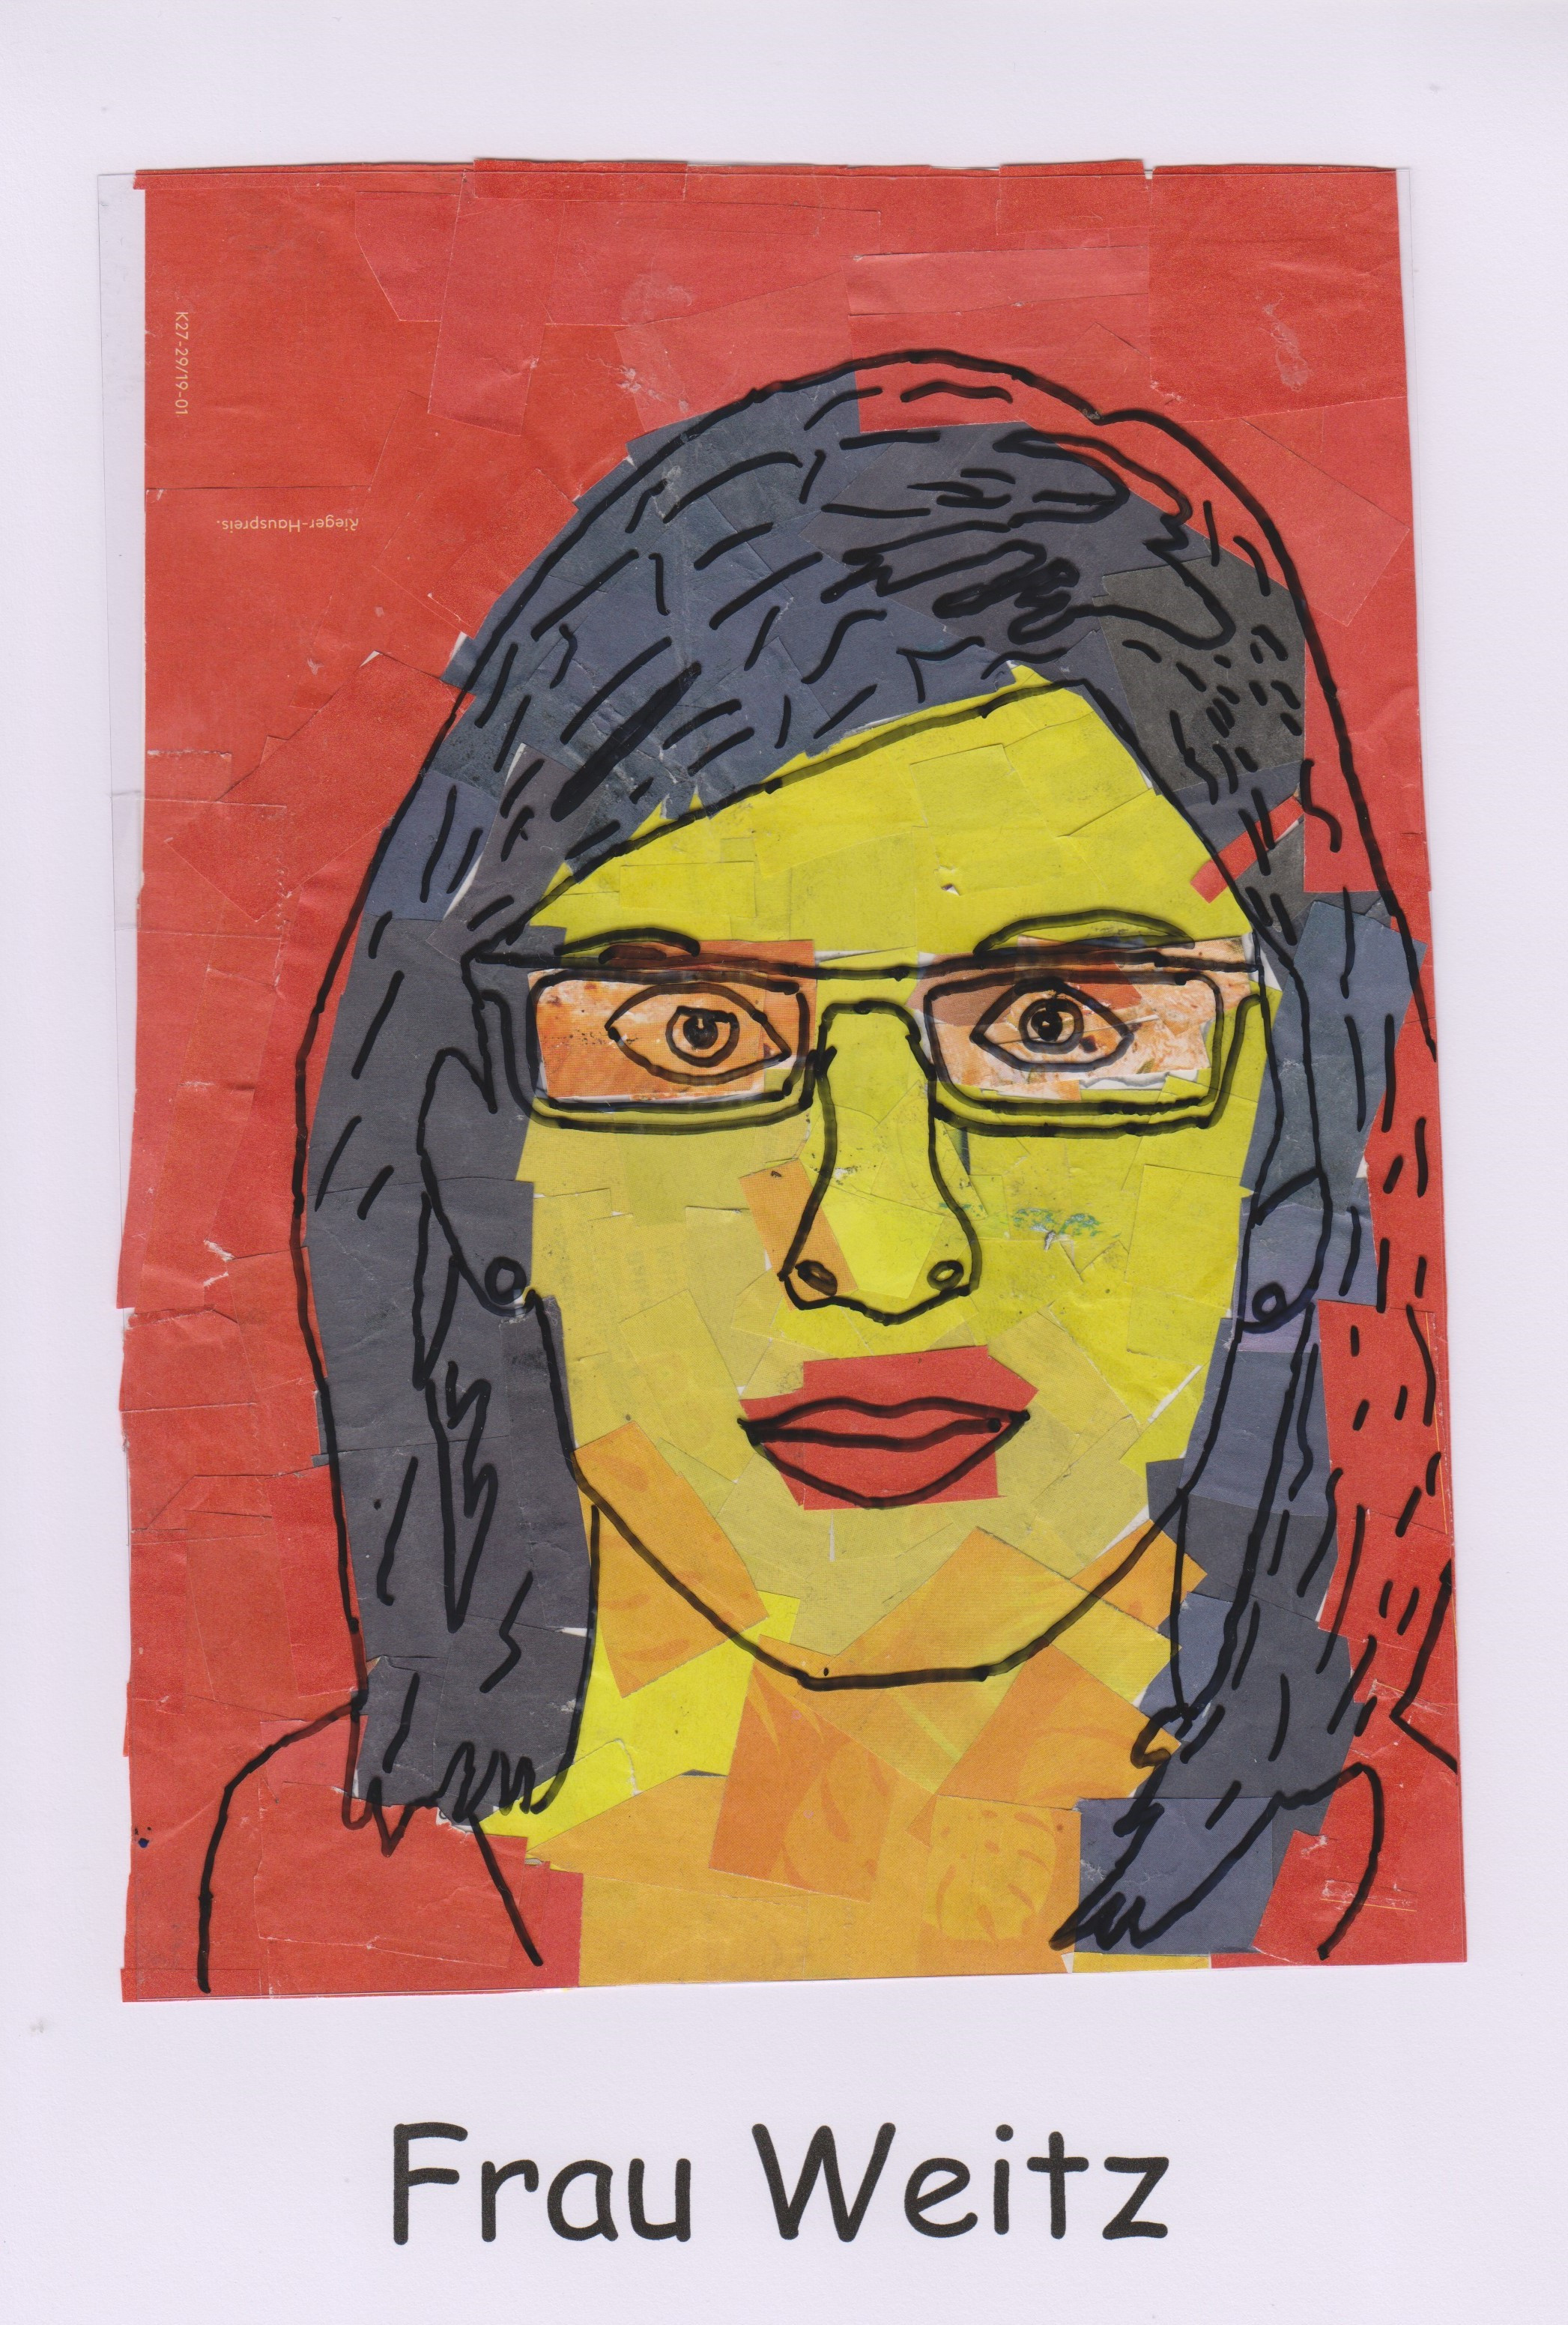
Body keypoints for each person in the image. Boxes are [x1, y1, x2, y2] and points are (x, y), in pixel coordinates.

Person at [201, 351, 1428, 1989]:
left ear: (1297, 1121)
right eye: (694, 1034)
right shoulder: (257, 1919)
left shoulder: (1468, 1923)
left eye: (1057, 1023)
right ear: (476, 1133)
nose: (873, 1248)